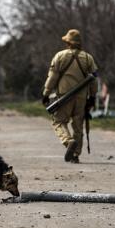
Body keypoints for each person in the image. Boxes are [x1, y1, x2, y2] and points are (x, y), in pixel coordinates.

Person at [42, 29, 98, 163]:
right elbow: (94, 80)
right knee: (78, 126)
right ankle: (75, 155)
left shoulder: (60, 56)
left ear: (67, 42)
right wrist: (92, 97)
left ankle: (68, 142)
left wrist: (46, 93)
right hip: (81, 98)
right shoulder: (88, 57)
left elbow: (52, 77)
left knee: (59, 122)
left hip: (63, 97)